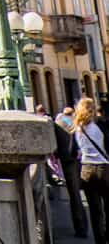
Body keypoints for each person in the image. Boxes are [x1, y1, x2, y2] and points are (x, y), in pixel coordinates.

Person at [74, 96, 109, 244]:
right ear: (93, 109)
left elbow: (72, 150)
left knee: (95, 211)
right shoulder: (100, 125)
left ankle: (99, 240)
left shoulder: (77, 128)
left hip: (86, 170)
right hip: (104, 168)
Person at [57, 106, 90, 238]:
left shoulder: (58, 123)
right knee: (93, 195)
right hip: (85, 160)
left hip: (69, 162)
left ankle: (81, 228)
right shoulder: (80, 122)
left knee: (75, 196)